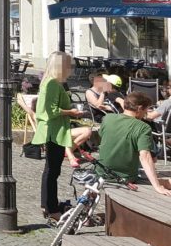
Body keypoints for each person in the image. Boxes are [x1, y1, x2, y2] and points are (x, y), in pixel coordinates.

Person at [32, 51, 90, 223]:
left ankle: (49, 205)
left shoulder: (52, 82)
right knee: (52, 170)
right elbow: (50, 111)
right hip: (53, 130)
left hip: (55, 129)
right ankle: (51, 208)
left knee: (52, 170)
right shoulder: (52, 84)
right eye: (68, 65)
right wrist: (71, 112)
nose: (70, 68)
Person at [98, 92, 171, 196]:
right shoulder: (143, 127)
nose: (146, 113)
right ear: (140, 108)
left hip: (101, 172)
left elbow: (104, 138)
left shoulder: (108, 118)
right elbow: (145, 157)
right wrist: (158, 187)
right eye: (146, 110)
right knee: (167, 182)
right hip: (124, 177)